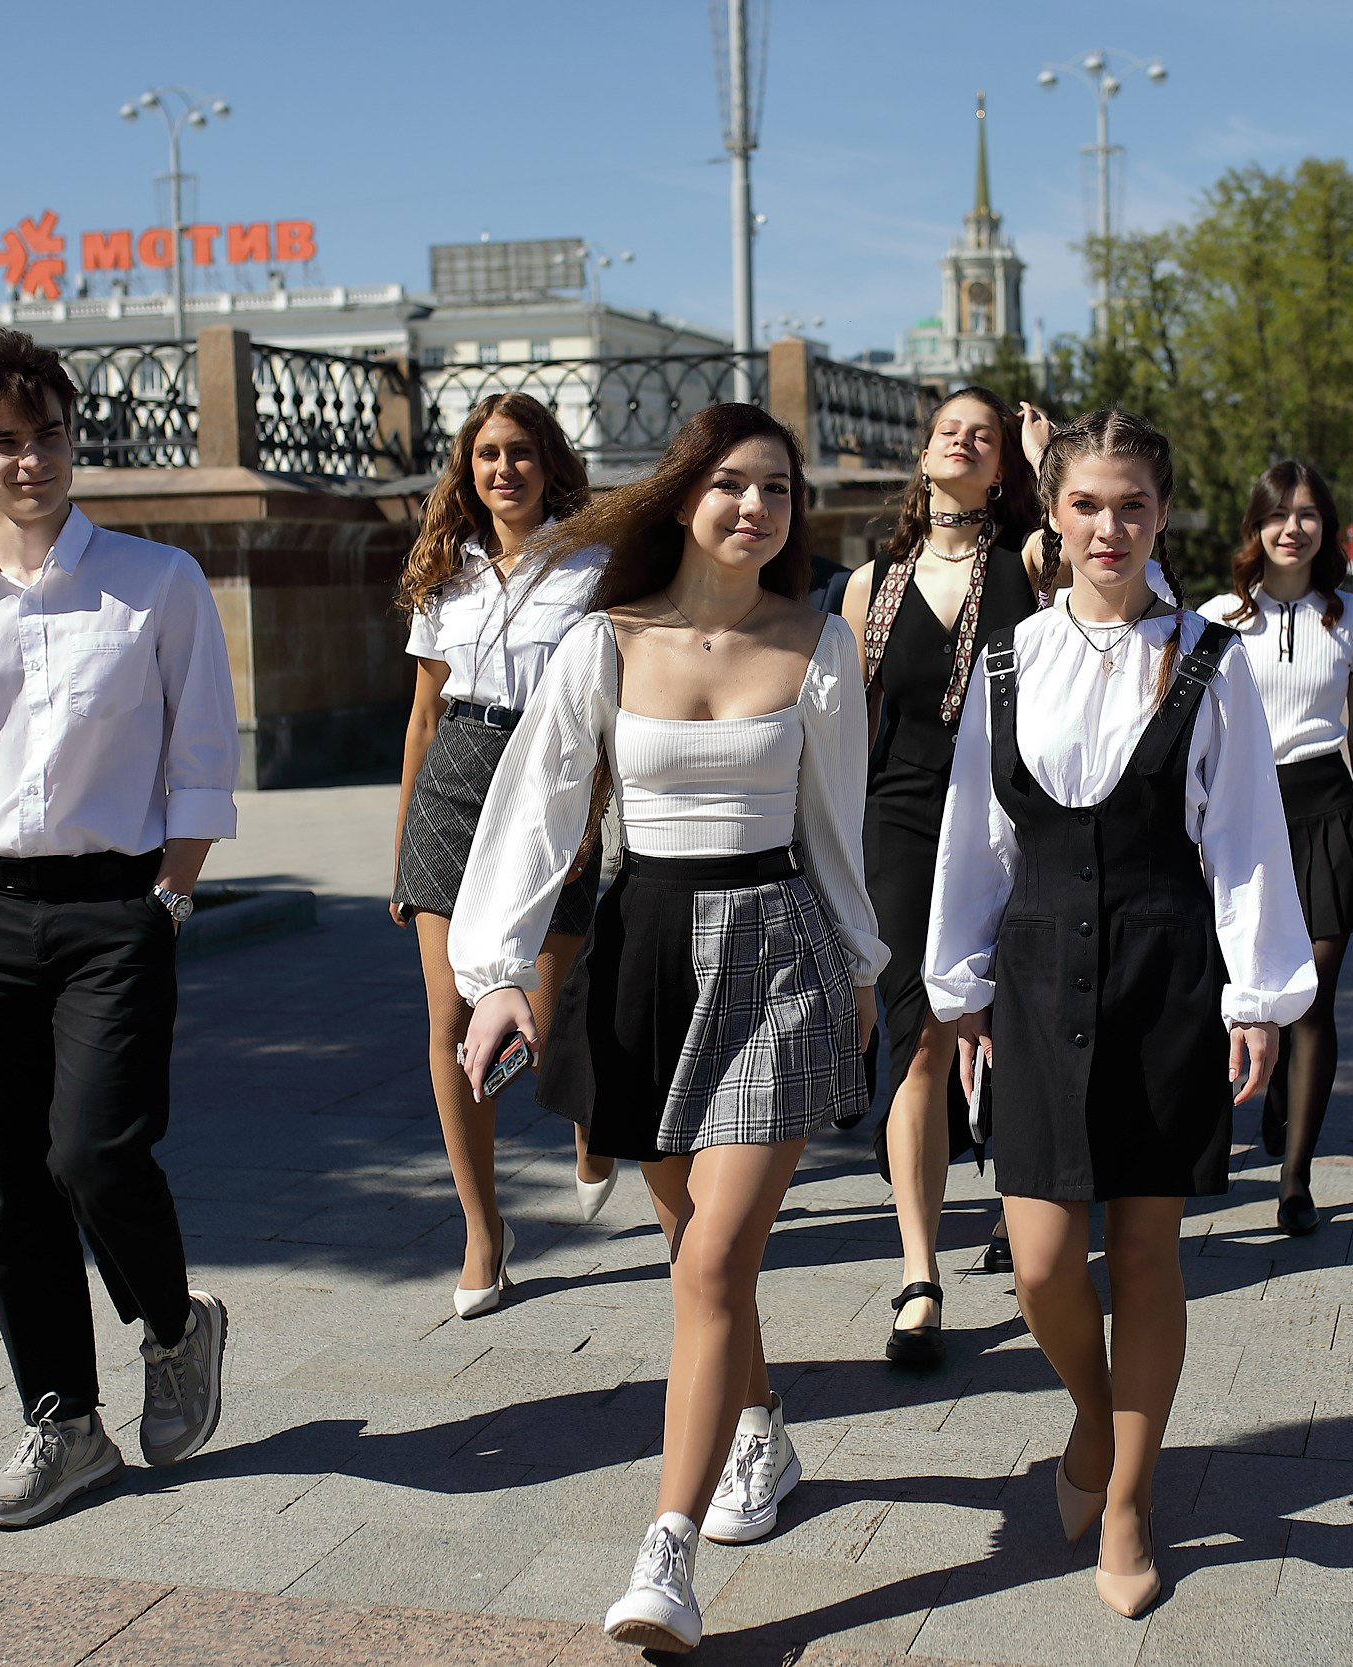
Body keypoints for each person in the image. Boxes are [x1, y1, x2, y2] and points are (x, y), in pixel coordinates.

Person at [449, 404, 883, 1652]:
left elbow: (833, 826)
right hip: (642, 959)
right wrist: (495, 973)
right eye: (734, 485)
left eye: (780, 492)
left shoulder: (819, 643)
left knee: (705, 1265)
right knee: (702, 1246)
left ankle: (667, 1551)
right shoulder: (605, 642)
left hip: (775, 956)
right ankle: (758, 1427)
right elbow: (535, 815)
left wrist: (859, 967)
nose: (757, 509)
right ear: (686, 493)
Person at [928, 409, 1318, 1620]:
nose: (1110, 525)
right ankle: (1094, 1423)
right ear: (1052, 509)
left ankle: (1133, 1497)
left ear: (1162, 514)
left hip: (1165, 972)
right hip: (1038, 974)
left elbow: (1248, 838)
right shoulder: (1007, 658)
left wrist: (1259, 993)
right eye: (1087, 503)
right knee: (1041, 1259)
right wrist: (958, 982)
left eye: (1133, 504)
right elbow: (975, 837)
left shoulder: (1209, 654)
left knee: (1147, 1250)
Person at [0, 328, 236, 1528]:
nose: (34, 461)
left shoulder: (156, 581)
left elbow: (202, 756)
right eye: (5, 442)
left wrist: (169, 898)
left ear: (77, 438)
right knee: (11, 1188)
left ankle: (174, 1325)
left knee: (93, 1151)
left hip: (118, 909)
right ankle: (65, 1424)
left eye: (51, 435)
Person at [389, 392, 607, 1320]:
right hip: (456, 780)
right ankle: (485, 1229)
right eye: (486, 455)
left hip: (554, 776)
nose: (502, 469)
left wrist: (596, 812)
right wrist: (401, 847)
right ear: (466, 470)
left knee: (540, 1020)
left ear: (549, 462)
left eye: (520, 452)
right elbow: (424, 713)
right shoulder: (448, 571)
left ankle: (593, 1122)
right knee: (451, 1019)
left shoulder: (597, 563)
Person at [839, 386, 1042, 1366]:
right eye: (948, 426)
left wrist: (1048, 467)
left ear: (1004, 463)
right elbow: (840, 739)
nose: (964, 435)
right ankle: (921, 1270)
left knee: (1013, 1024)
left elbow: (1116, 565)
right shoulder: (868, 584)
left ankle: (1021, 1198)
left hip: (1012, 820)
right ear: (923, 455)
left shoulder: (1031, 566)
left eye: (987, 431)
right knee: (917, 1037)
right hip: (900, 822)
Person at [1200, 460, 1353, 1236]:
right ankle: (1211, 1147)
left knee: (1312, 993)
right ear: (1255, 527)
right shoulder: (1217, 618)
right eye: (1278, 514)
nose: (1293, 527)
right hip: (1240, 811)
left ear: (1327, 527)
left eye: (1308, 514)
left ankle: (1295, 1177)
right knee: (1231, 984)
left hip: (1325, 810)